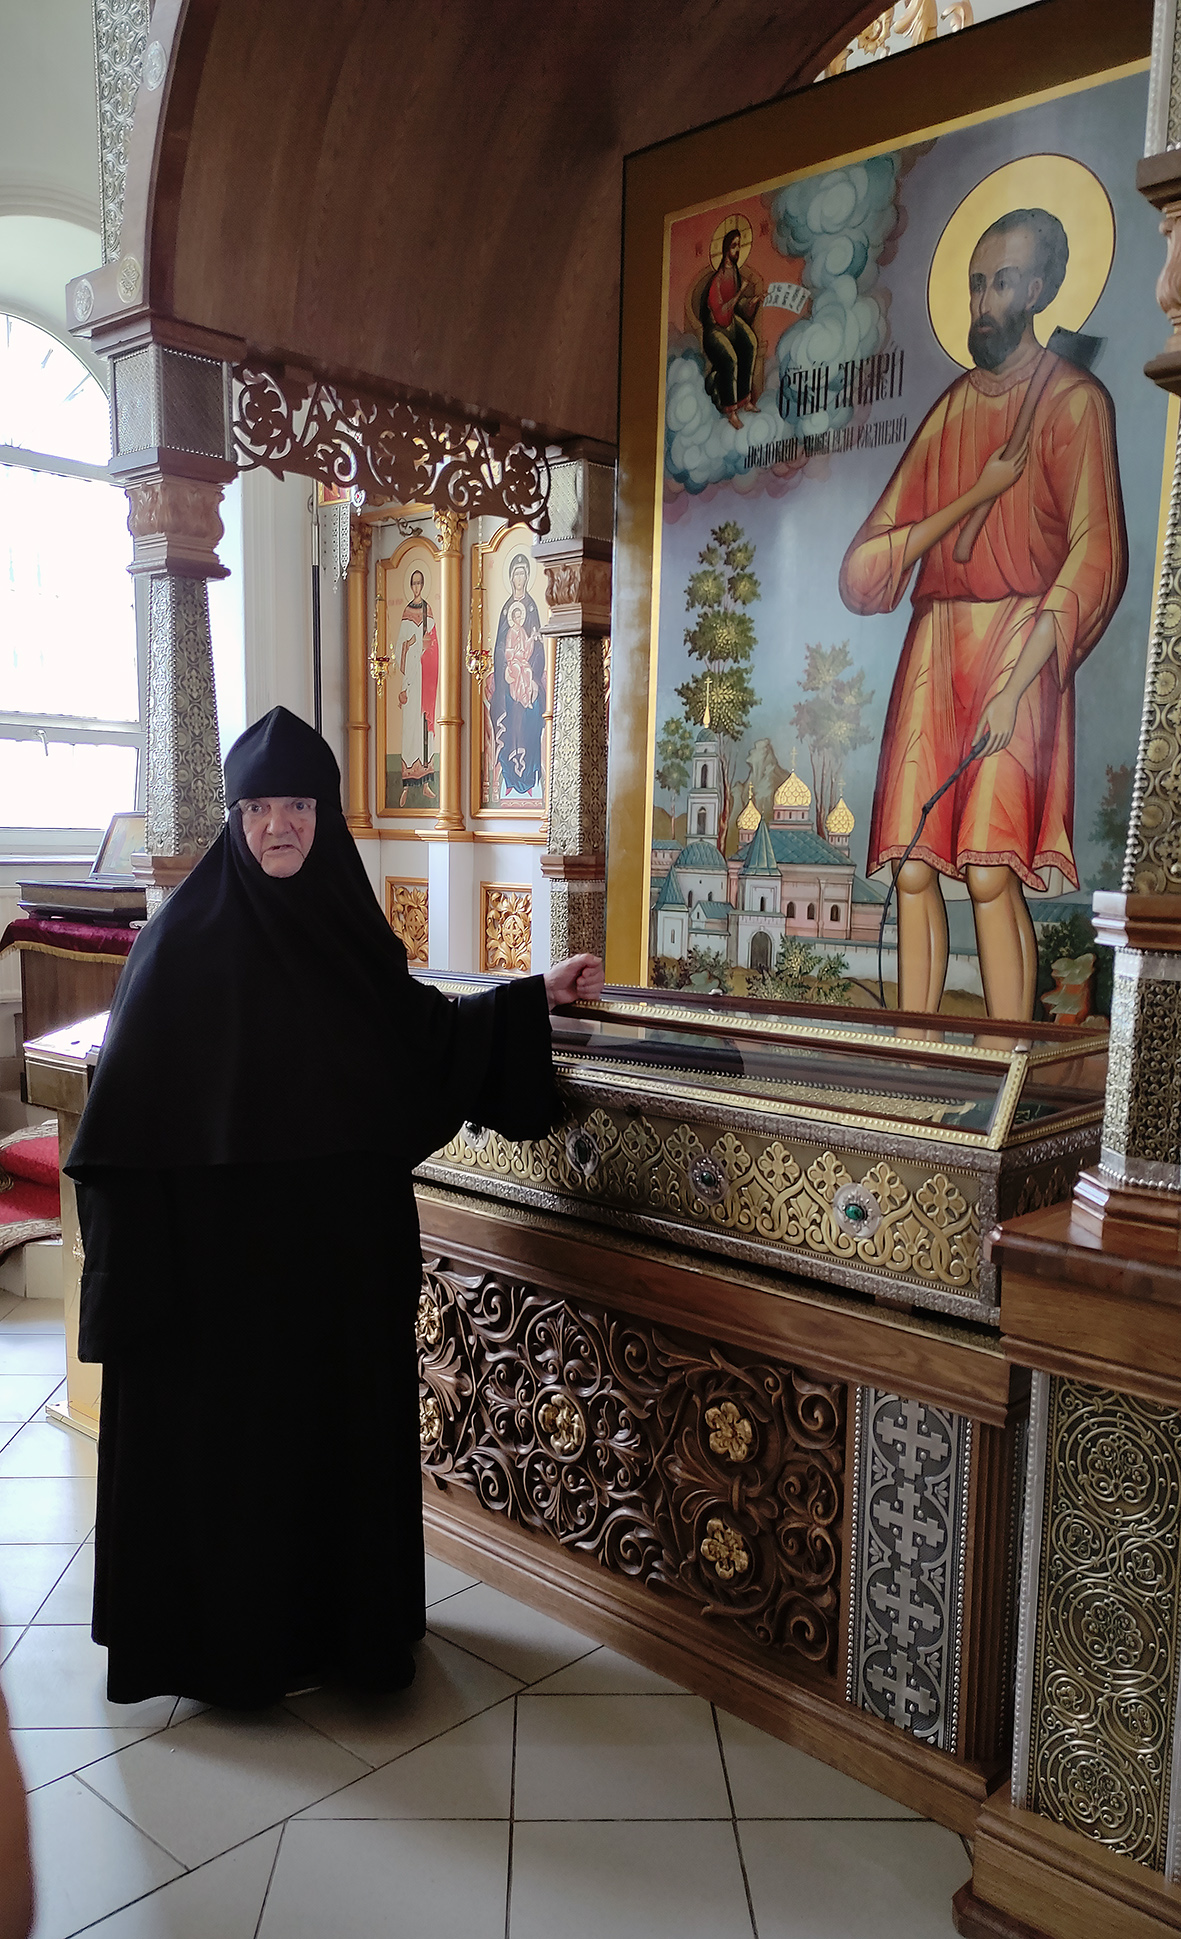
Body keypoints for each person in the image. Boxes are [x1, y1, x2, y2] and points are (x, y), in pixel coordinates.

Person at [65, 706, 604, 1709]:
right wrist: (143, 1276)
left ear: (325, 815)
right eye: (259, 807)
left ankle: (344, 1641)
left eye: (299, 806)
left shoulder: (348, 932)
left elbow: (428, 1040)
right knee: (239, 1464)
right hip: (219, 1287)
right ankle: (232, 1660)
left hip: (339, 1273)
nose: (279, 825)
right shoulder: (179, 948)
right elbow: (118, 1138)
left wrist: (531, 997)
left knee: (331, 1453)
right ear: (235, 818)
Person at [839, 207, 1127, 1020]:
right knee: (913, 866)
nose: (983, 302)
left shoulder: (1074, 403)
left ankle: (1008, 1057)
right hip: (936, 641)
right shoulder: (952, 411)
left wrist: (1018, 684)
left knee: (990, 867)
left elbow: (1094, 555)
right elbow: (862, 572)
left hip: (1024, 639)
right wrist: (973, 495)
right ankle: (918, 1051)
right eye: (975, 284)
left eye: (1000, 283)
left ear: (1035, 290)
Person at [489, 554, 545, 799]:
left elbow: (538, 647)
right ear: (511, 578)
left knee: (533, 714)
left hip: (528, 677)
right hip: (509, 679)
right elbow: (500, 647)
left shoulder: (531, 608)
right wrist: (505, 666)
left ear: (527, 577)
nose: (519, 578)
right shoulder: (506, 610)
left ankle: (530, 776)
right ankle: (509, 777)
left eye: (523, 573)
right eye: (516, 574)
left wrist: (533, 677)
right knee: (507, 716)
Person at [700, 228, 762, 429]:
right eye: (734, 246)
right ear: (726, 249)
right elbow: (720, 312)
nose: (737, 250)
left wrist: (750, 302)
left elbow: (736, 307)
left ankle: (745, 400)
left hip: (730, 322)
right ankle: (731, 411)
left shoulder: (734, 273)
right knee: (730, 359)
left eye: (739, 245)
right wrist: (740, 292)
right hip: (715, 330)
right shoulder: (717, 280)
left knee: (750, 343)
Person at [395, 567, 439, 803]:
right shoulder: (406, 612)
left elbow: (435, 645)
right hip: (411, 681)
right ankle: (406, 785)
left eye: (420, 583)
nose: (416, 587)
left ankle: (425, 784)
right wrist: (411, 644)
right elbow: (399, 647)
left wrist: (427, 647)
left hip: (425, 679)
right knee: (410, 729)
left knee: (424, 731)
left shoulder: (428, 611)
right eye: (414, 583)